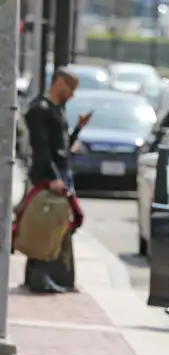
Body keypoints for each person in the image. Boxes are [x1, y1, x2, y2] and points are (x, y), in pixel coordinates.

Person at [21, 67, 92, 292]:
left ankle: (54, 277)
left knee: (57, 226)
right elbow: (42, 148)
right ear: (59, 82)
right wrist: (52, 178)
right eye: (71, 88)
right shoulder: (40, 110)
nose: (72, 95)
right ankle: (40, 278)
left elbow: (61, 148)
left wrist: (78, 129)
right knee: (45, 226)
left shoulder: (55, 110)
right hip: (48, 178)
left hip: (59, 173)